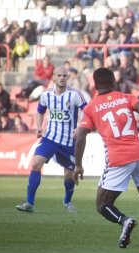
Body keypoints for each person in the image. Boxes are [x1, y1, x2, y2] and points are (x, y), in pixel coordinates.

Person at [72, 68, 139, 248]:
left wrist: (78, 165)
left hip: (118, 157)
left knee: (102, 204)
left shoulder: (91, 107)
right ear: (113, 82)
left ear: (95, 85)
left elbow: (80, 136)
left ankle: (124, 221)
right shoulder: (126, 97)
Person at [16, 67, 87, 213]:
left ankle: (67, 202)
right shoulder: (46, 95)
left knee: (69, 175)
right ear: (54, 78)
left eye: (64, 75)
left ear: (68, 78)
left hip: (68, 142)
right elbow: (40, 111)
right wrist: (39, 127)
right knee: (36, 164)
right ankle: (29, 203)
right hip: (50, 138)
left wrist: (79, 126)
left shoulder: (75, 95)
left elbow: (88, 112)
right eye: (59, 75)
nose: (62, 78)